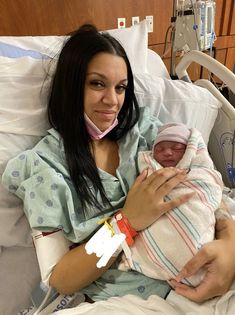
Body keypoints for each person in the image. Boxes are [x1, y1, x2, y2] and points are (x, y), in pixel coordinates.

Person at [1, 24, 235, 310]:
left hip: (207, 260)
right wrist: (125, 224)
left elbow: (204, 184)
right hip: (136, 298)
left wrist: (230, 243)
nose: (113, 100)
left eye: (121, 87)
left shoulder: (147, 133)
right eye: (97, 83)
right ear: (71, 86)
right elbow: (60, 277)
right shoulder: (45, 168)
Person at [117, 122, 225, 287]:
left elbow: (212, 193)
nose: (167, 152)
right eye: (159, 149)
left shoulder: (199, 175)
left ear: (190, 151)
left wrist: (229, 237)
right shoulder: (147, 170)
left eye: (177, 148)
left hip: (200, 228)